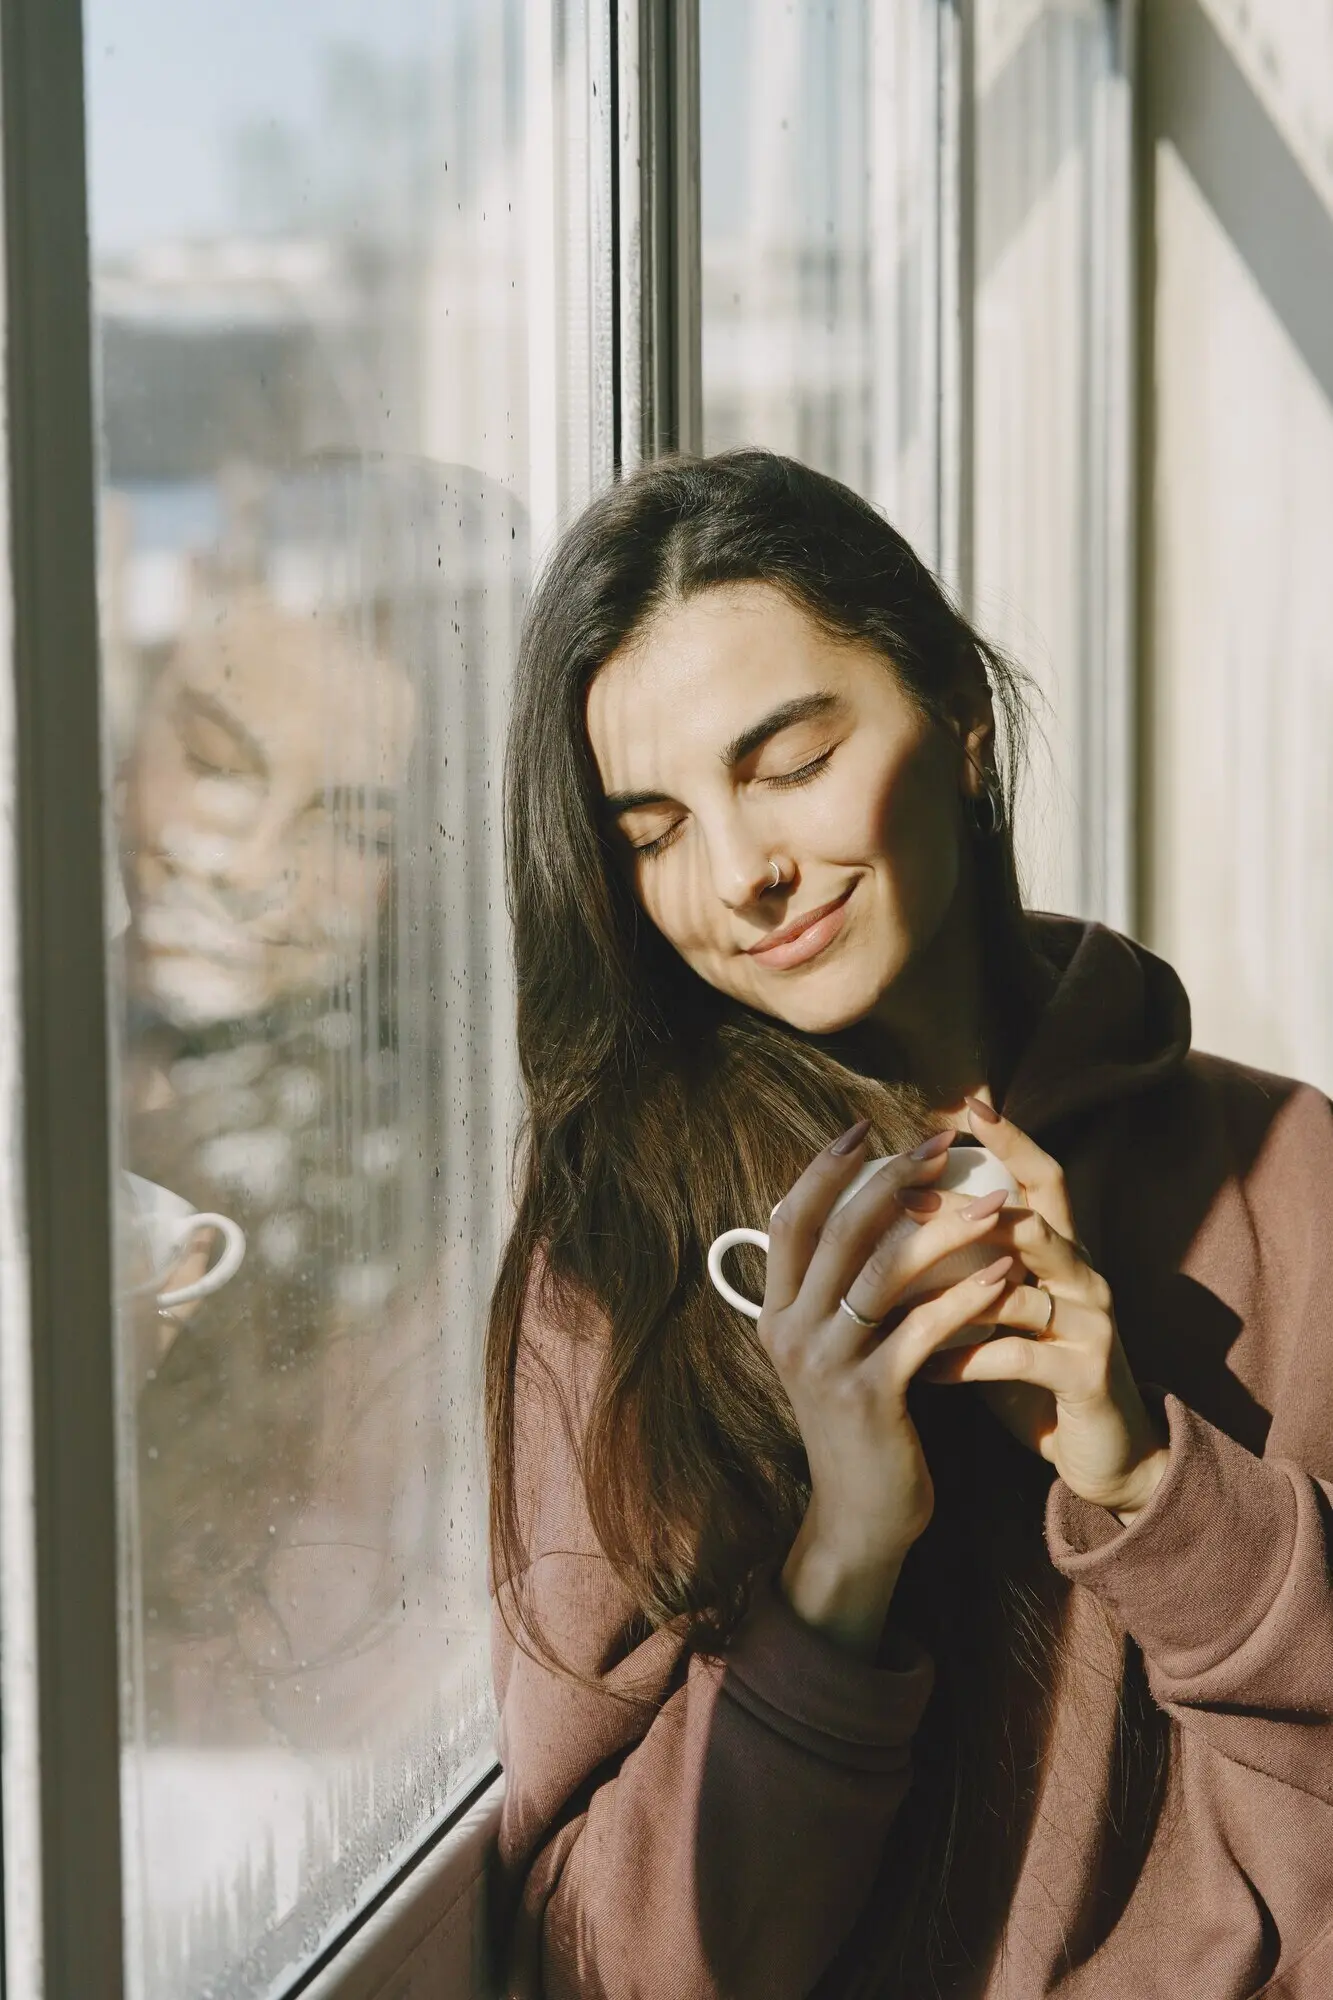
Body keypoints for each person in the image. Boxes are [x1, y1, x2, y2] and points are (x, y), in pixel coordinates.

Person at [485, 450, 1333, 1998]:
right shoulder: (619, 1266)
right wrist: (847, 1544)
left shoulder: (1286, 1173)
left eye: (791, 760)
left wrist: (1145, 1478)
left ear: (960, 718)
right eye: (654, 832)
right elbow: (596, 1962)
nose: (741, 876)